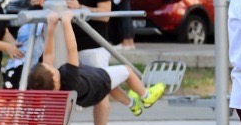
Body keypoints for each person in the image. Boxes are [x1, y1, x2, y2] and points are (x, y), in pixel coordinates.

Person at [29, 11, 165, 114]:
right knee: (127, 71)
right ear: (54, 77)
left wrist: (51, 28)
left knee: (112, 85)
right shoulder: (69, 79)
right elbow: (72, 50)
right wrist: (66, 23)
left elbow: (48, 54)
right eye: (49, 67)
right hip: (97, 83)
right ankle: (146, 96)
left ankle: (133, 105)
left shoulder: (51, 89)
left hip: (89, 92)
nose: (49, 64)